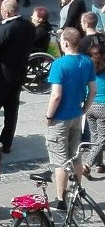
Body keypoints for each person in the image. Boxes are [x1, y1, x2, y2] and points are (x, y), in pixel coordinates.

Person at [45, 28, 96, 210]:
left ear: (65, 43)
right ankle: (77, 192)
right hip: (76, 115)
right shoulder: (87, 61)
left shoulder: (59, 64)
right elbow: (93, 89)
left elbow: (56, 95)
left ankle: (60, 200)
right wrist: (84, 108)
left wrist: (49, 115)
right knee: (75, 155)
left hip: (60, 118)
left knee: (60, 159)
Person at [0, 0, 36, 154]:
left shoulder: (8, 29)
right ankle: (7, 142)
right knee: (11, 111)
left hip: (0, 77)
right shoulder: (28, 26)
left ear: (8, 12)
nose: (1, 12)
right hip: (17, 76)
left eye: (2, 10)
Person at [85, 43, 105, 175]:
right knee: (102, 137)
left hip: (90, 105)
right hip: (103, 106)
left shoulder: (87, 70)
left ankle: (99, 164)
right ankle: (87, 164)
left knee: (94, 136)